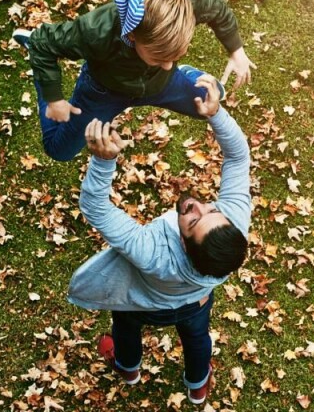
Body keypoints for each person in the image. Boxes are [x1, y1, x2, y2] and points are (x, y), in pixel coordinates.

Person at [66, 75, 250, 405]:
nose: (197, 204)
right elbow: (238, 158)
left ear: (184, 245)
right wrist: (217, 114)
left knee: (125, 329)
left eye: (193, 220)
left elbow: (95, 207)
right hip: (196, 304)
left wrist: (104, 161)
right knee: (197, 339)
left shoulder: (152, 251)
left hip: (140, 304)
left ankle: (127, 369)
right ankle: (198, 385)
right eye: (212, 209)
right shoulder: (232, 226)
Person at [12, 0, 255, 161]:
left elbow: (217, 7)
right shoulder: (96, 31)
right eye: (159, 57)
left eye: (175, 57)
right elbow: (44, 44)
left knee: (208, 104)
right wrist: (53, 98)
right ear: (132, 36)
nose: (169, 64)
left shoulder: (183, 4)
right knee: (59, 150)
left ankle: (186, 75)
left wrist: (236, 51)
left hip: (160, 83)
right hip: (103, 91)